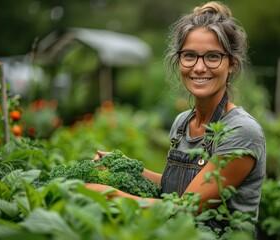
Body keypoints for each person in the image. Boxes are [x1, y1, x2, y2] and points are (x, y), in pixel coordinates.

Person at [86, 0, 266, 233]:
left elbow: (185, 208)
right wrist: (126, 167)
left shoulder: (241, 131)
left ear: (231, 63)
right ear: (179, 60)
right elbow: (178, 187)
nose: (199, 67)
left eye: (212, 57)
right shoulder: (182, 123)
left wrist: (109, 195)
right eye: (190, 55)